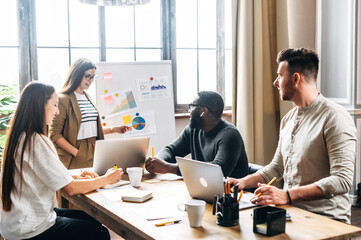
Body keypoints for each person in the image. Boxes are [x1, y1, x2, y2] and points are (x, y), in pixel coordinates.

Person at [229, 48, 356, 223]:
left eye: (279, 76)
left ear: (295, 78)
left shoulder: (335, 117)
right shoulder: (288, 119)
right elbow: (277, 167)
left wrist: (287, 195)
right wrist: (243, 182)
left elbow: (342, 180)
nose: (275, 82)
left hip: (327, 219)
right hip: (292, 214)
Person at [0, 81, 123, 239]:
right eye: (55, 105)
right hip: (29, 228)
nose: (57, 112)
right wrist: (107, 179)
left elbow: (45, 175)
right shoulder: (37, 141)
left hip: (15, 222)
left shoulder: (21, 136)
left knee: (92, 219)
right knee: (99, 233)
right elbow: (70, 189)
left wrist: (76, 177)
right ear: (40, 106)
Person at [50, 58, 132, 169]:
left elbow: (89, 129)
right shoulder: (63, 99)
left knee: (98, 184)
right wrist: (77, 153)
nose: (90, 80)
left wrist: (113, 129)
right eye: (87, 76)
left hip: (94, 149)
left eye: (93, 77)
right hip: (74, 153)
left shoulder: (87, 97)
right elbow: (54, 134)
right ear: (76, 74)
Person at [145, 91, 249, 178]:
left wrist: (167, 168)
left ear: (203, 111)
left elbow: (217, 171)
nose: (189, 110)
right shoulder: (193, 129)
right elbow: (171, 150)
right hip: (205, 189)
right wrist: (156, 162)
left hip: (232, 196)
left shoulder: (230, 135)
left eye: (192, 106)